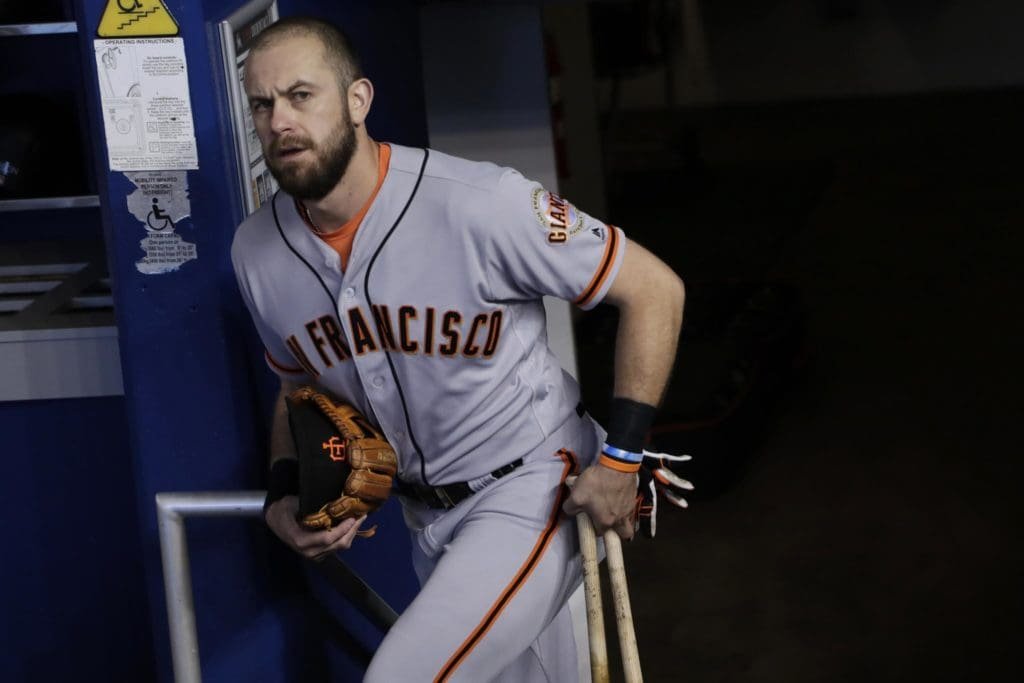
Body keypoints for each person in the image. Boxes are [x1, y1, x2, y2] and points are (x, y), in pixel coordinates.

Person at [231, 16, 686, 682]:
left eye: (301, 95)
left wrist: (621, 462)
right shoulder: (256, 252)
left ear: (357, 100)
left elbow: (654, 290)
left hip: (537, 489)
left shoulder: (479, 203)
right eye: (262, 104)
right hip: (426, 519)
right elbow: (297, 387)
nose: (280, 121)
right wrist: (282, 493)